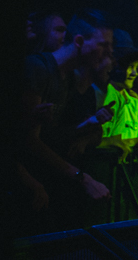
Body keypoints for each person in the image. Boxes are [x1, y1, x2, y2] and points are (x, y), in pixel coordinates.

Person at [20, 12, 115, 227]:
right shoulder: (37, 68)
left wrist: (89, 127)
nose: (110, 53)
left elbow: (52, 135)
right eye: (104, 45)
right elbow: (30, 141)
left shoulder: (68, 79)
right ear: (79, 41)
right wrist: (84, 178)